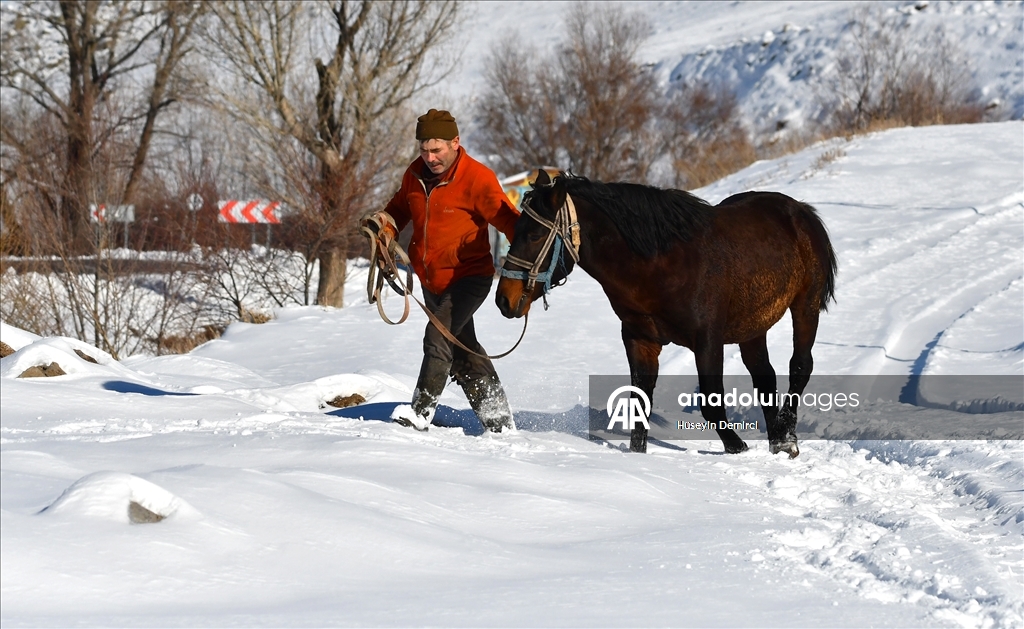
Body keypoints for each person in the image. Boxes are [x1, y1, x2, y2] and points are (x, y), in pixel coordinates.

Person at [363, 109, 520, 433]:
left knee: (439, 336)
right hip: (431, 280)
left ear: (455, 142)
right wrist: (383, 227)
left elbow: (509, 220)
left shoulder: (477, 178)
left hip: (469, 278)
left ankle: (420, 413)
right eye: (424, 150)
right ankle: (500, 423)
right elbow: (398, 209)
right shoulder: (414, 175)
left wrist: (534, 246)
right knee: (463, 350)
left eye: (436, 150)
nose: (430, 158)